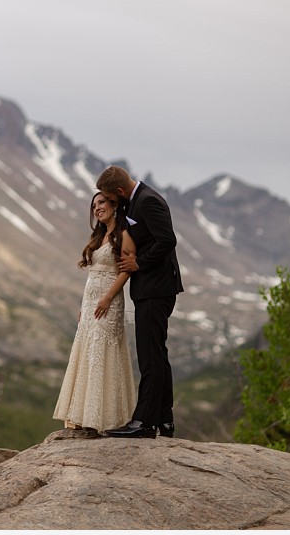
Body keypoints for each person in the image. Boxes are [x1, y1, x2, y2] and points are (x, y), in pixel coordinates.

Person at [97, 165, 183, 438]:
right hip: (150, 288)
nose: (111, 203)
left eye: (111, 198)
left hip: (157, 289)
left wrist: (138, 263)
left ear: (120, 191)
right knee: (157, 353)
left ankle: (143, 422)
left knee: (149, 356)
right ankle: (164, 418)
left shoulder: (149, 202)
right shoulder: (134, 202)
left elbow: (167, 240)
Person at [53, 192, 137, 433]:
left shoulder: (124, 234)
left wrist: (108, 298)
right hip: (90, 302)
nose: (97, 208)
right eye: (94, 205)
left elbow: (127, 269)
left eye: (101, 203)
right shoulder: (99, 236)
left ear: (114, 204)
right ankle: (82, 415)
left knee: (102, 351)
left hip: (108, 301)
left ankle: (101, 419)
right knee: (88, 351)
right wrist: (85, 306)